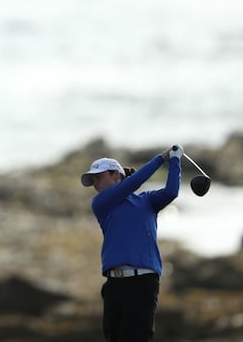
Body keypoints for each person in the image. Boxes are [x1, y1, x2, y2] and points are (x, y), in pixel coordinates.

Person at [80, 145, 182, 342]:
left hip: (142, 284)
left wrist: (175, 160)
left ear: (116, 175)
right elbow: (134, 182)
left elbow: (171, 192)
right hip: (114, 285)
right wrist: (161, 158)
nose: (95, 183)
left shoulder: (147, 201)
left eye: (99, 177)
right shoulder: (101, 203)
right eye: (93, 180)